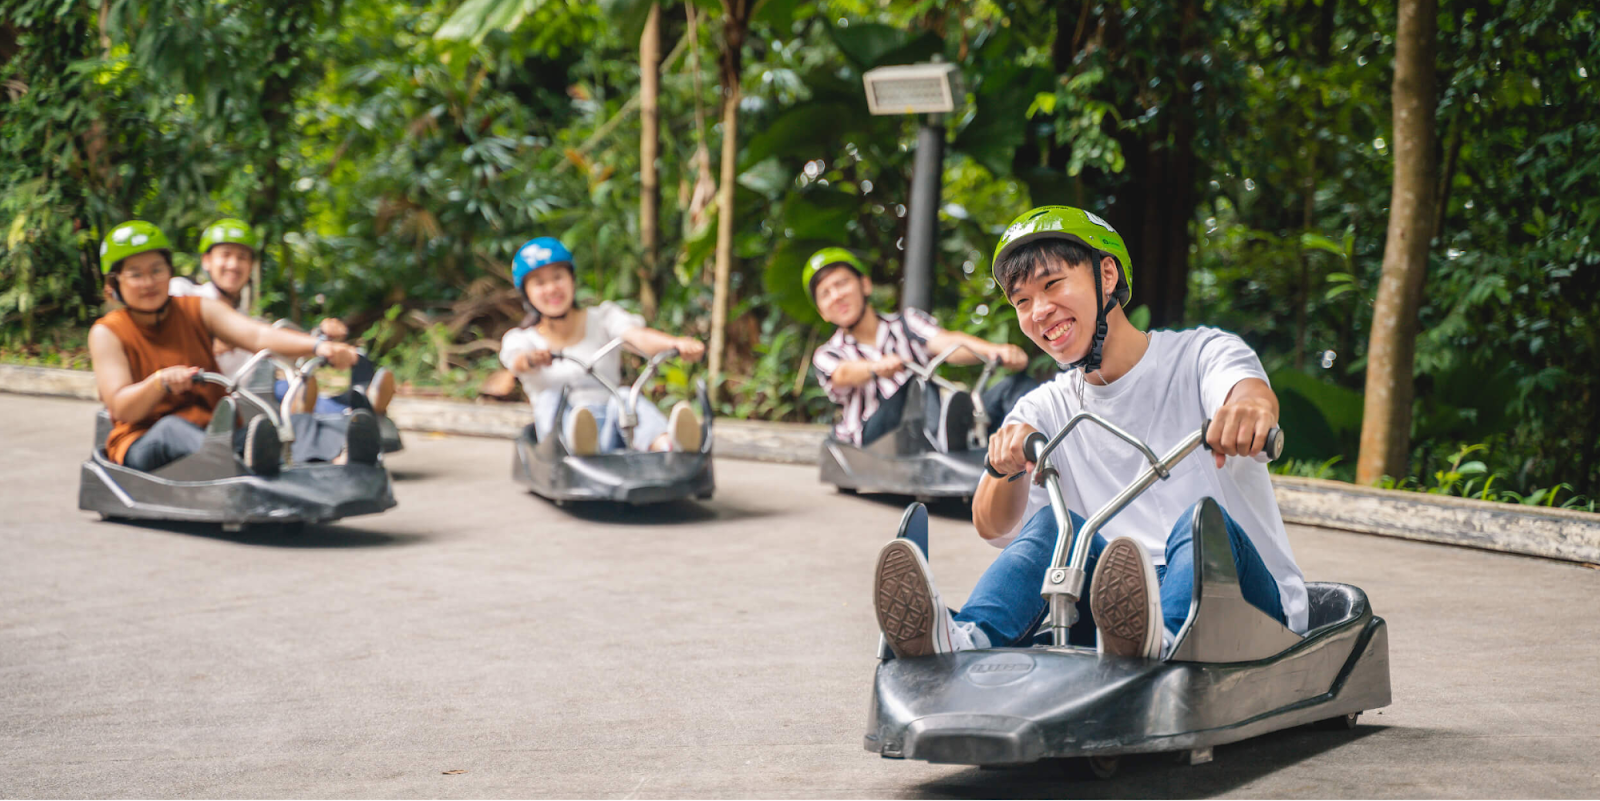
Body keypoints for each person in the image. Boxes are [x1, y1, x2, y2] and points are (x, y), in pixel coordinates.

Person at [872, 206, 1309, 660]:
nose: (1039, 311)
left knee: (1200, 524)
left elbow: (1247, 391)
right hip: (1116, 606)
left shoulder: (1201, 354)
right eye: (1021, 301)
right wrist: (1004, 467)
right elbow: (991, 525)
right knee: (1050, 528)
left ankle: (1163, 640)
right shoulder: (1044, 407)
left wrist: (1247, 410)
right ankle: (963, 638)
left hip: (1249, 604)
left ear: (1105, 275)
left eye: (1052, 284)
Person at [88, 220, 379, 474]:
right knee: (171, 429)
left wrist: (319, 346)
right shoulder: (107, 332)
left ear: (169, 272)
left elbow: (257, 336)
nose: (149, 282)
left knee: (293, 423)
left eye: (157, 270)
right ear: (114, 284)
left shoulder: (197, 309)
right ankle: (255, 465)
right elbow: (121, 406)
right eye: (136, 275)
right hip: (143, 440)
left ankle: (342, 453)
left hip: (214, 433)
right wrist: (159, 383)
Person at [804, 247, 1036, 450]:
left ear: (865, 285)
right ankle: (945, 443)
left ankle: (1034, 452)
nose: (836, 296)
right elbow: (842, 374)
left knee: (1015, 387)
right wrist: (876, 367)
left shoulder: (907, 323)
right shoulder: (827, 354)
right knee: (917, 387)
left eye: (841, 283)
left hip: (934, 419)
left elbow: (946, 343)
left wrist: (996, 352)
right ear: (822, 312)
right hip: (874, 438)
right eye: (825, 293)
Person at [498, 237, 705, 455]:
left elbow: (638, 337)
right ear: (527, 293)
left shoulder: (604, 318)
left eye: (558, 277)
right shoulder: (522, 339)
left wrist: (676, 343)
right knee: (551, 398)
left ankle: (670, 447)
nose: (551, 288)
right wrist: (532, 359)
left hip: (612, 431)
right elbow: (517, 362)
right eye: (540, 283)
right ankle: (577, 448)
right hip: (560, 439)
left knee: (625, 396)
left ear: (571, 279)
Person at [168, 218, 395, 416]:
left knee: (292, 390)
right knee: (281, 396)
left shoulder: (248, 319)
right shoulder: (185, 294)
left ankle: (361, 405)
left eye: (242, 258)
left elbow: (270, 340)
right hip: (212, 400)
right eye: (225, 255)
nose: (234, 265)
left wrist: (321, 339)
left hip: (251, 394)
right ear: (206, 260)